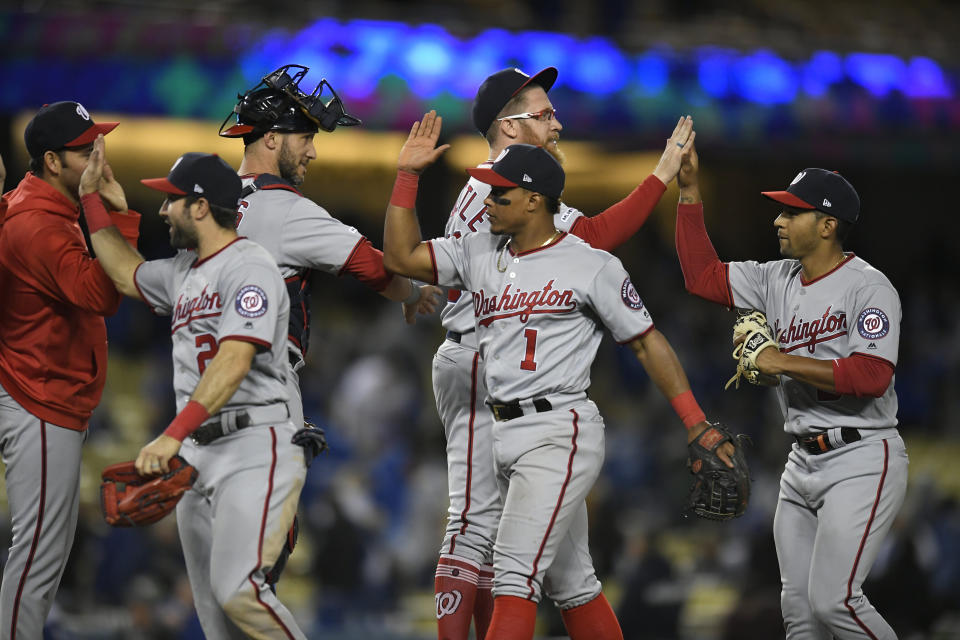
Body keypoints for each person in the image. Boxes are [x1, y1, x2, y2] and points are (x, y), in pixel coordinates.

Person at [383, 113, 731, 640]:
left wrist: (696, 422)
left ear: (534, 200)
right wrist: (406, 177)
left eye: (501, 194)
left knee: (514, 576)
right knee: (574, 585)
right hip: (504, 432)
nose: (488, 201)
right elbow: (400, 255)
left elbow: (647, 343)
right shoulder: (480, 251)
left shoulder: (589, 264)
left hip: (558, 430)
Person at [673, 142, 908, 639]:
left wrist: (779, 360)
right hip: (801, 462)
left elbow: (872, 376)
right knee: (799, 615)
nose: (778, 221)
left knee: (836, 602)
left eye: (792, 212)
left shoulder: (869, 288)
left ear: (827, 225)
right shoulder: (775, 277)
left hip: (861, 455)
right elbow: (701, 277)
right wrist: (689, 192)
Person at [79, 140, 308, 639]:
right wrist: (92, 202)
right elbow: (123, 272)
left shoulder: (251, 267)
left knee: (240, 592)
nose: (163, 209)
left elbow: (234, 359)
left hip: (254, 444)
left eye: (171, 199)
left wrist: (172, 434)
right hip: (198, 457)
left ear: (201, 206)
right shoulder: (185, 272)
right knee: (213, 619)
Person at [218, 64, 440, 429]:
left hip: (200, 376)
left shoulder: (205, 204)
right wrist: (413, 295)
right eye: (305, 137)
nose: (313, 152)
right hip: (259, 380)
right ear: (272, 138)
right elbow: (371, 266)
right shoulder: (284, 208)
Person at [0, 102, 140, 638]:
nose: (98, 156)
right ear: (52, 161)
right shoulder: (38, 223)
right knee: (38, 554)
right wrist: (114, 213)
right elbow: (104, 293)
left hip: (46, 395)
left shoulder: (48, 209)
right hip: (38, 398)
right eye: (86, 150)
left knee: (44, 554)